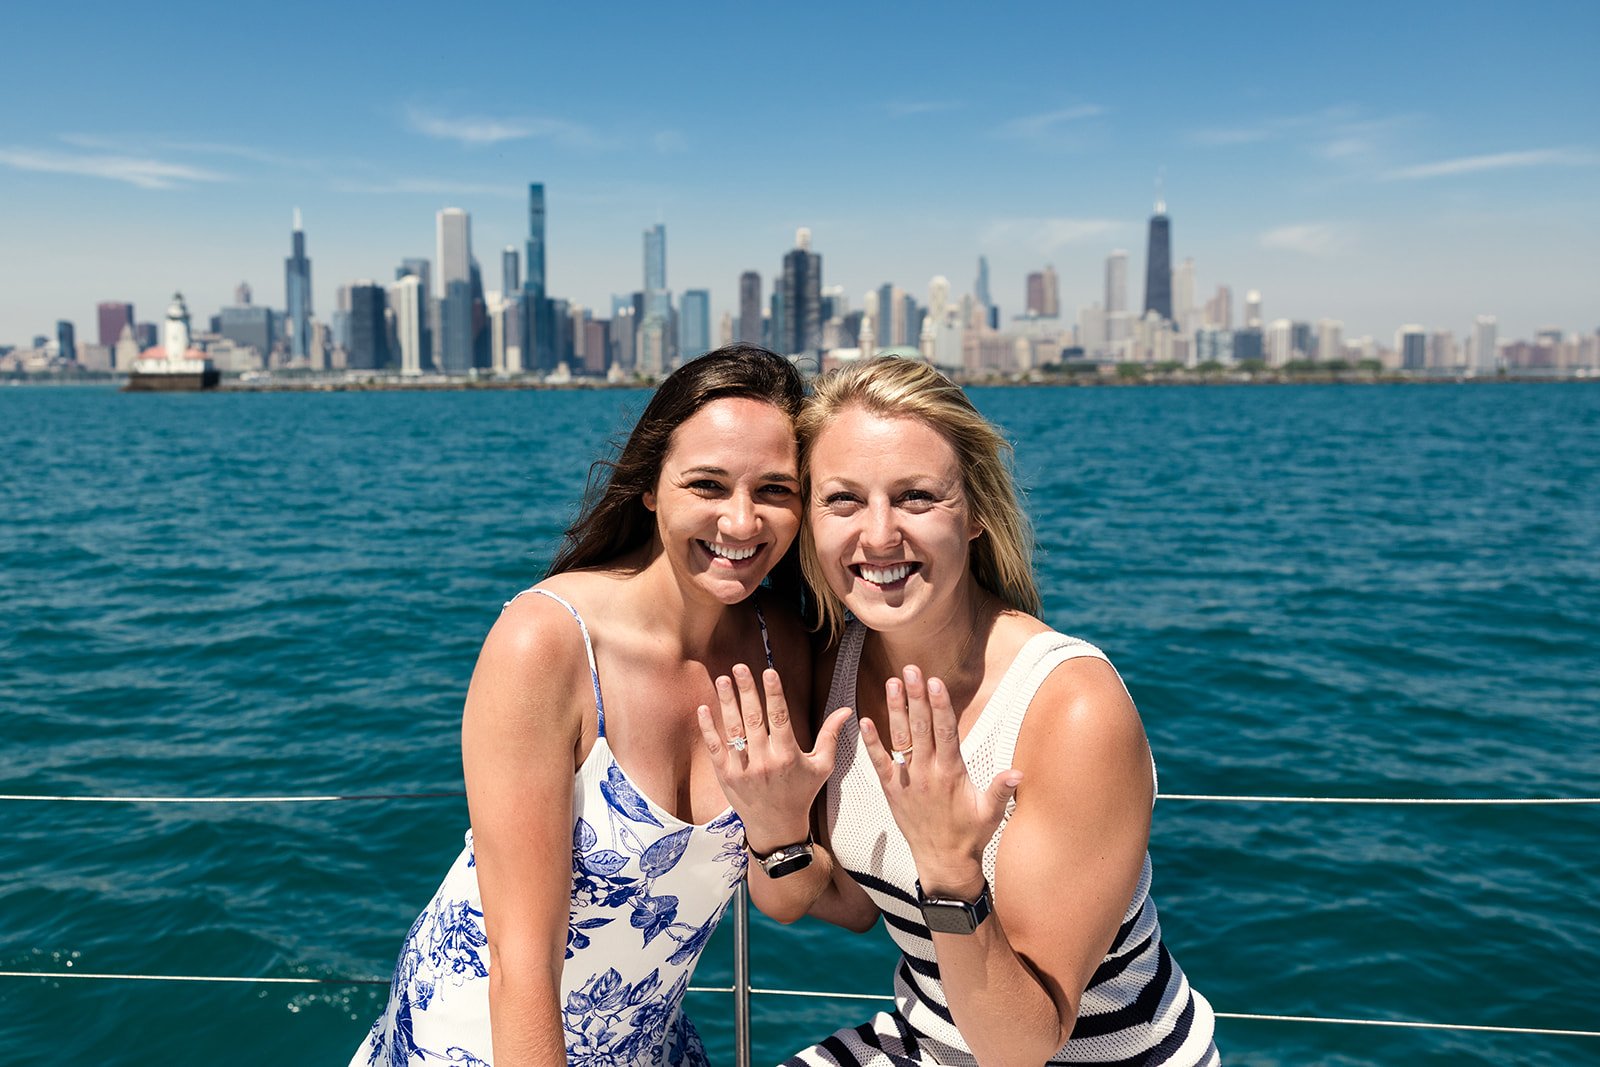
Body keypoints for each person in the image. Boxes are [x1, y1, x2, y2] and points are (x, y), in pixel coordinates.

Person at [350, 344, 846, 1067]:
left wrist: (780, 832)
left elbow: (787, 898)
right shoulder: (546, 644)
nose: (741, 522)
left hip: (645, 1039)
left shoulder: (782, 647)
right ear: (650, 487)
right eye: (707, 484)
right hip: (489, 1040)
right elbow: (522, 968)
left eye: (774, 489)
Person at [782, 357, 1218, 1066]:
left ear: (977, 512)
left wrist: (953, 869)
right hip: (932, 1041)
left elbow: (1024, 1044)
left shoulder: (1071, 707)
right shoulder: (833, 664)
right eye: (843, 499)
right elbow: (857, 906)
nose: (880, 534)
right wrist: (771, 831)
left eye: (917, 496)